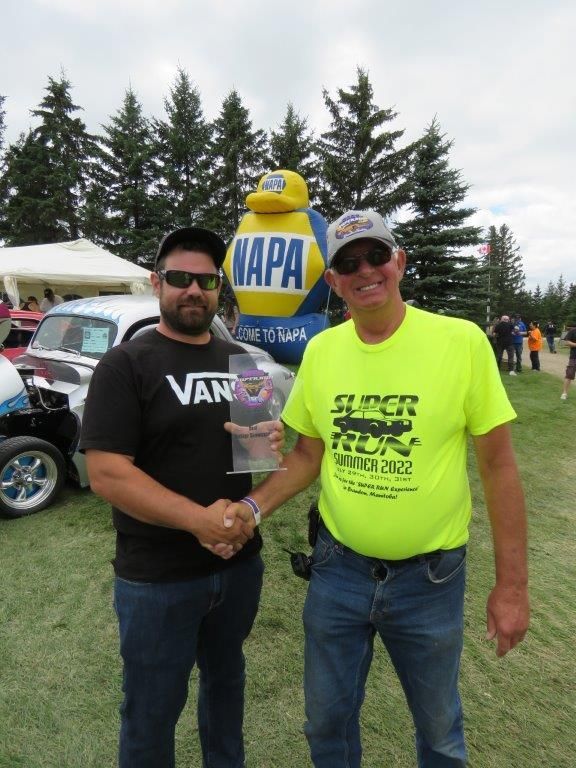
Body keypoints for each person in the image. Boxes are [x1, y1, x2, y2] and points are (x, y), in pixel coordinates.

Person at [223, 210, 529, 767]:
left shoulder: (459, 342)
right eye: (347, 263)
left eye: (376, 255)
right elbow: (307, 455)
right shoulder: (323, 351)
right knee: (326, 723)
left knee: (439, 732)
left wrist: (511, 588)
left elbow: (500, 468)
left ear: (399, 262)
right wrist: (251, 505)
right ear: (334, 282)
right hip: (338, 570)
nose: (365, 270)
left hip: (431, 578)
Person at [79, 226, 283, 768]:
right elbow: (106, 473)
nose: (194, 289)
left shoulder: (241, 360)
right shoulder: (127, 365)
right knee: (151, 710)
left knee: (226, 691)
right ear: (156, 283)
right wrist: (200, 522)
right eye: (179, 278)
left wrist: (271, 440)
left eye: (207, 280)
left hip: (238, 566)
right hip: (156, 577)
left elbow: (258, 454)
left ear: (219, 287)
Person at [560, 320, 576, 400]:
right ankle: (564, 393)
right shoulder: (573, 330)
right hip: (574, 357)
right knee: (569, 374)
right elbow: (566, 342)